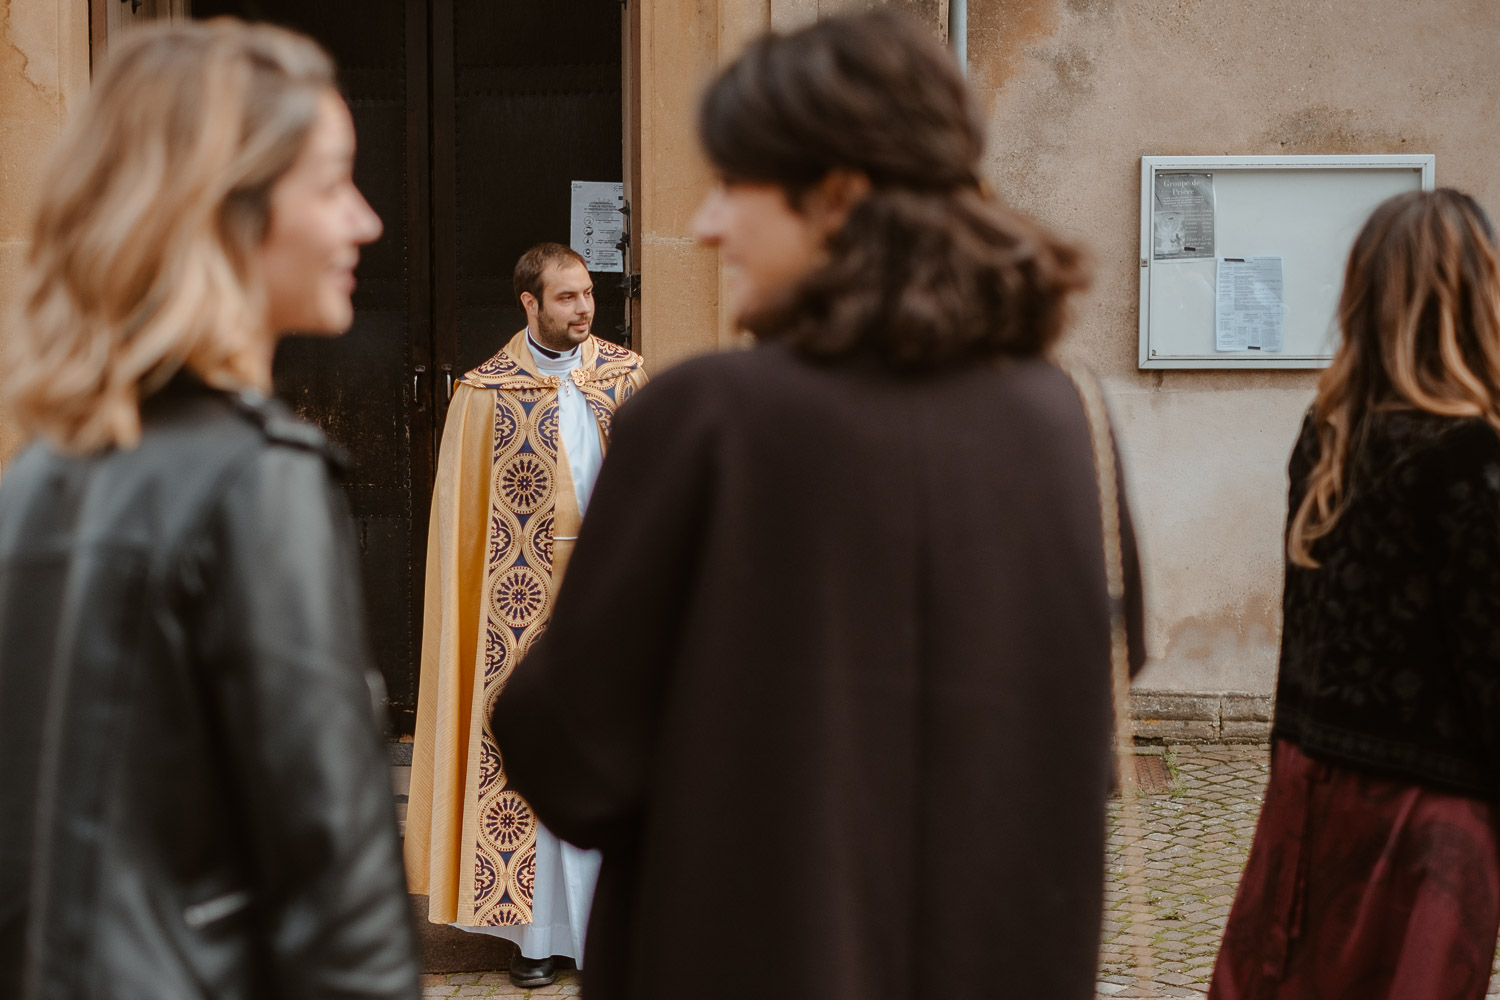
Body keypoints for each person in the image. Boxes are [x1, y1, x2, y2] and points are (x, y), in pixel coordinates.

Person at [491, 12, 1146, 1000]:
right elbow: (1096, 691)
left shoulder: (705, 420)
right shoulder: (1071, 422)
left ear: (834, 196)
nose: (705, 223)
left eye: (732, 185)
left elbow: (566, 747)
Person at [0, 18, 419, 1000]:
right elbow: (338, 893)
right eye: (330, 183)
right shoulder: (256, 479)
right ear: (222, 209)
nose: (366, 220)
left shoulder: (30, 480)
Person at [1208, 190, 1500, 1000]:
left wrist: (1286, 770)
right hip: (1427, 822)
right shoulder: (1472, 457)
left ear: (1362, 296)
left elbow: (1301, 631)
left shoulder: (1327, 434)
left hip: (1310, 790)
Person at [403, 243, 648, 987]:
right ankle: (536, 938)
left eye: (588, 295)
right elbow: (463, 530)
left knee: (612, 761)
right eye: (567, 297)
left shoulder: (627, 377)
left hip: (610, 608)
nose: (584, 309)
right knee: (529, 765)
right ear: (528, 303)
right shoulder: (483, 395)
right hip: (517, 614)